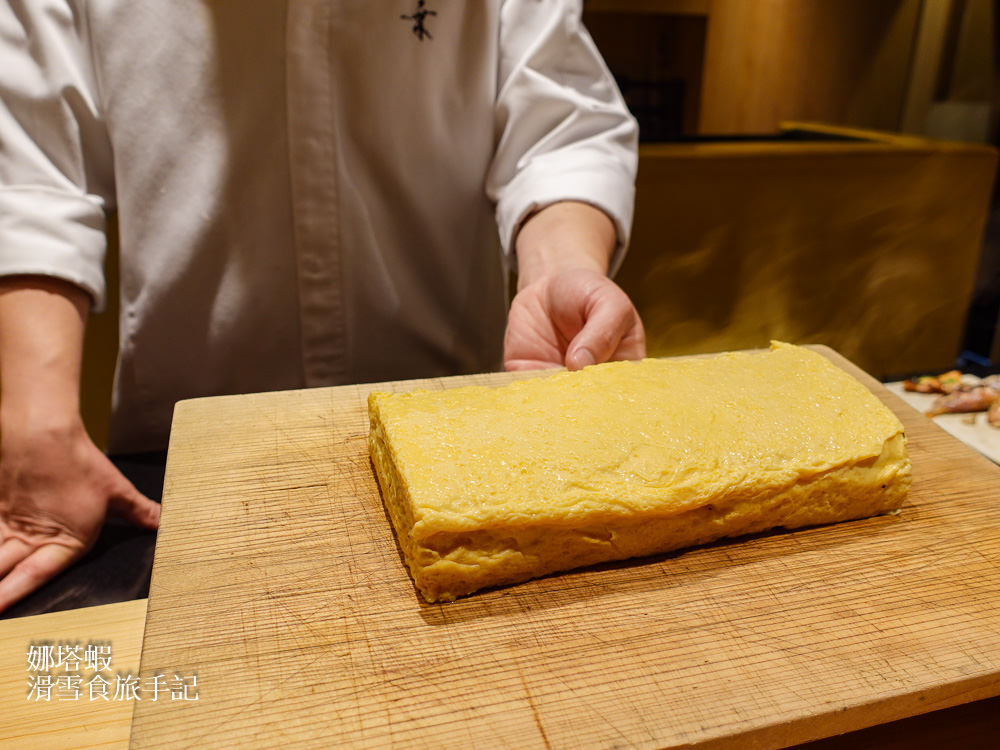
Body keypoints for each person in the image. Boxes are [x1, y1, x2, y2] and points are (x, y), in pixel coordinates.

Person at [0, 1, 644, 613]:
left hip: (457, 439)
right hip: (183, 457)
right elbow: (31, 170)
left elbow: (560, 129)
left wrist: (560, 273)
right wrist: (36, 419)